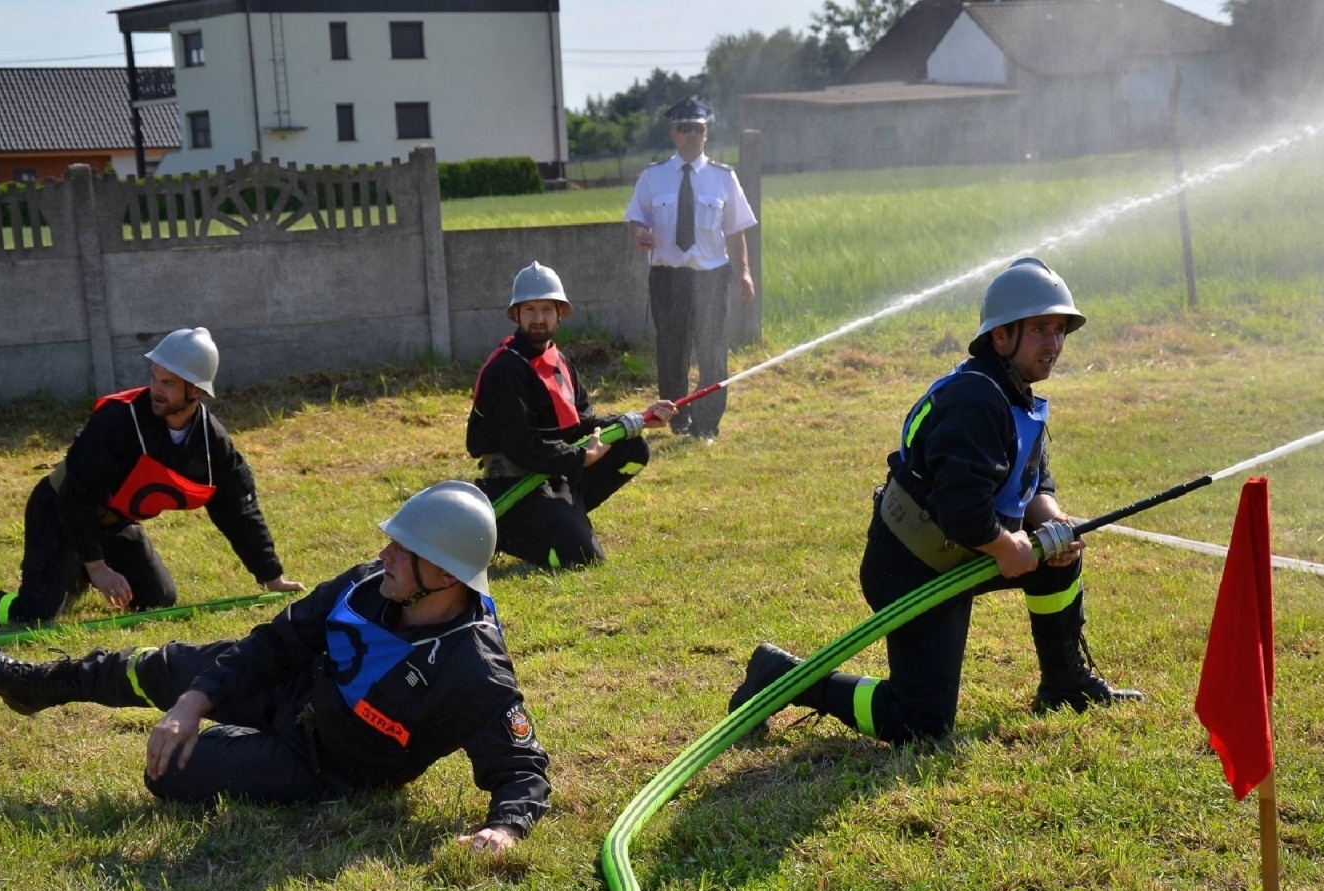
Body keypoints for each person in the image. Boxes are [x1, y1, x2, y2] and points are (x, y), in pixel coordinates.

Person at [0, 482, 549, 852]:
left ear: (445, 577)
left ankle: (235, 746)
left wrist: (505, 829)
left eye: (404, 550)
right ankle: (30, 685)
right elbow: (277, 641)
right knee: (158, 668)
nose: (384, 555)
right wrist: (192, 700)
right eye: (390, 541)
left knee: (167, 776)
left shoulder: (475, 667)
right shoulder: (369, 582)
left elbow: (521, 767)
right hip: (296, 688)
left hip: (322, 767)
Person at [729, 258, 1142, 744]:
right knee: (920, 724)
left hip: (963, 554)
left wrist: (1051, 520)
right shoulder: (976, 402)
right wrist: (1009, 548)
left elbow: (1033, 480)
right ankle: (781, 679)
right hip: (911, 570)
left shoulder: (1016, 394)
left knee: (1060, 554)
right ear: (1001, 337)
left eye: (1059, 330)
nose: (1053, 344)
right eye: (1038, 330)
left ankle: (1065, 685)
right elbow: (962, 513)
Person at [0, 328, 303, 627]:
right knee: (36, 615)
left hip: (113, 524)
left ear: (195, 392)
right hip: (60, 509)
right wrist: (98, 567)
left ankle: (71, 572)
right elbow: (74, 497)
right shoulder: (116, 421)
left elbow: (238, 508)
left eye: (167, 383)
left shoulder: (213, 442)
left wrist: (271, 576)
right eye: (154, 377)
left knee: (157, 600)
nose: (155, 390)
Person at [466, 261, 676, 570]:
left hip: (555, 474)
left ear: (560, 313)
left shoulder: (558, 360)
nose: (539, 319)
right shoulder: (505, 370)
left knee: (633, 448)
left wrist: (642, 419)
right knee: (583, 559)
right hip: (515, 485)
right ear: (516, 314)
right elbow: (521, 445)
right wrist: (581, 460)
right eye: (530, 310)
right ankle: (504, 531)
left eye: (547, 310)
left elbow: (583, 422)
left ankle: (566, 516)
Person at [623, 97, 757, 441]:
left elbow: (736, 230)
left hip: (711, 276)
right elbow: (636, 217)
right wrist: (639, 233)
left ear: (706, 134)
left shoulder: (723, 178)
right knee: (671, 351)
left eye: (697, 129)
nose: (690, 135)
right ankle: (676, 418)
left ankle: (706, 424)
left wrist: (744, 272)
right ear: (673, 134)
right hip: (668, 277)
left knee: (712, 351)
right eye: (684, 129)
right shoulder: (653, 177)